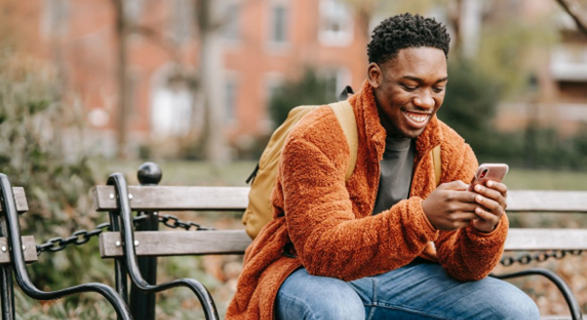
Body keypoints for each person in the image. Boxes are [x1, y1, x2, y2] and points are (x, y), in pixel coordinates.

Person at [227, 13, 540, 320]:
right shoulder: (317, 135)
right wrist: (422, 217)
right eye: (410, 85)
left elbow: (464, 268)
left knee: (516, 310)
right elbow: (322, 254)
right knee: (338, 311)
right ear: (375, 75)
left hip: (401, 279)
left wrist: (483, 230)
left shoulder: (450, 149)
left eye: (437, 87)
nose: (426, 101)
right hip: (304, 275)